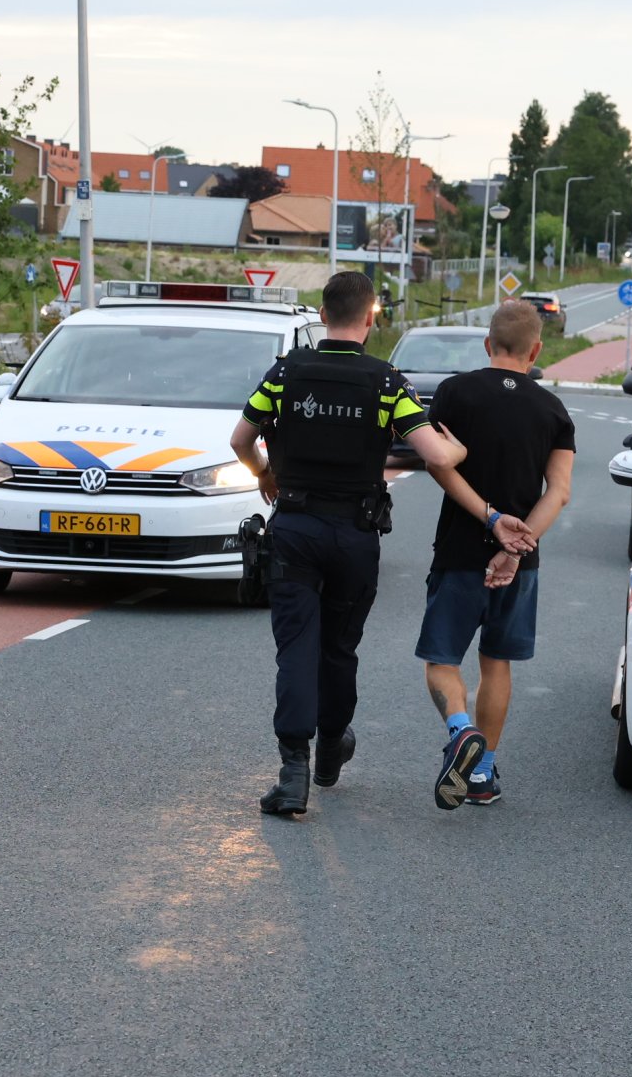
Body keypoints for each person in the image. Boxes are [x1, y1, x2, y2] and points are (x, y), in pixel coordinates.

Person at [230, 270, 467, 817]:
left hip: (293, 530)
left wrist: (264, 473)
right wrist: (458, 452)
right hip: (355, 537)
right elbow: (432, 455)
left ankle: (293, 774)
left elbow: (241, 439)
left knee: (296, 650)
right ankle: (332, 748)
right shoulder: (385, 382)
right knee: (338, 649)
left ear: (320, 312)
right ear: (371, 316)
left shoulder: (285, 374)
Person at [416, 300, 575, 808]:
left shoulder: (454, 393)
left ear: (487, 345)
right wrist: (517, 543)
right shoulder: (554, 410)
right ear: (536, 351)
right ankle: (482, 774)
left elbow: (440, 467)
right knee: (496, 664)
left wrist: (488, 519)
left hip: (461, 551)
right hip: (519, 565)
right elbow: (560, 491)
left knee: (442, 661)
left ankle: (461, 732)